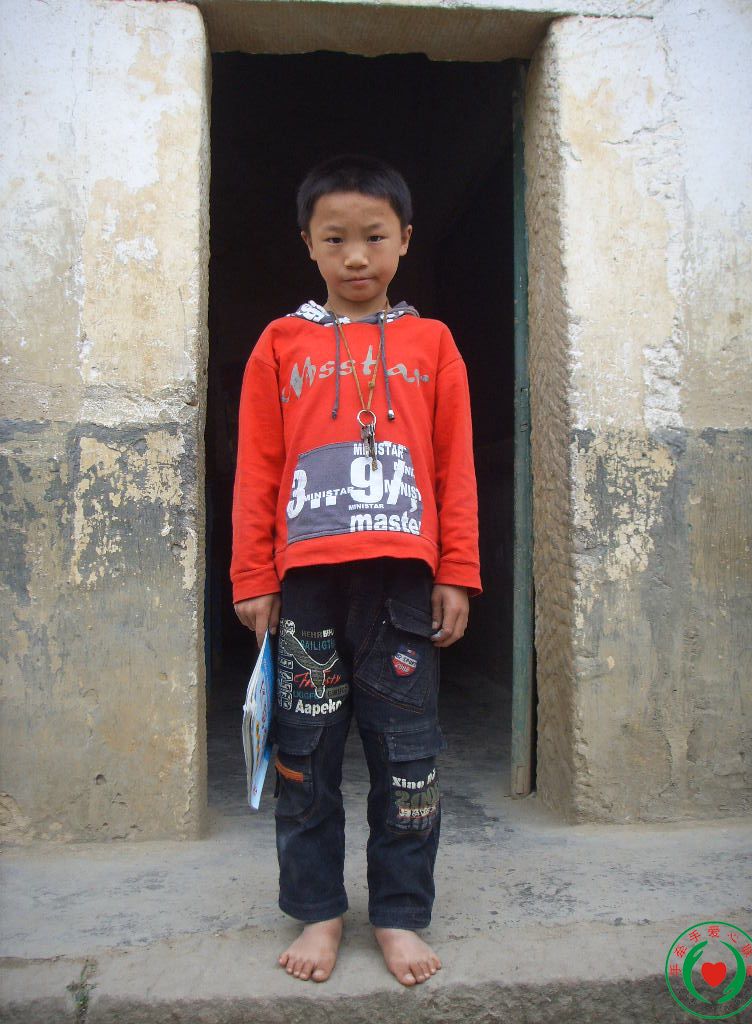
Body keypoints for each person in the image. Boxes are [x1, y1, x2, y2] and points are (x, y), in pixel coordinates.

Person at [231, 154, 481, 987]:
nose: (355, 256)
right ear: (308, 244)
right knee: (304, 752)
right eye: (334, 238)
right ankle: (320, 910)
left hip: (403, 582)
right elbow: (258, 467)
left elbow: (454, 465)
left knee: (408, 754)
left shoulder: (433, 344)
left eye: (374, 237)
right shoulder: (280, 344)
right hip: (306, 582)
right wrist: (252, 576)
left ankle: (400, 913)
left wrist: (457, 570)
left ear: (404, 239)